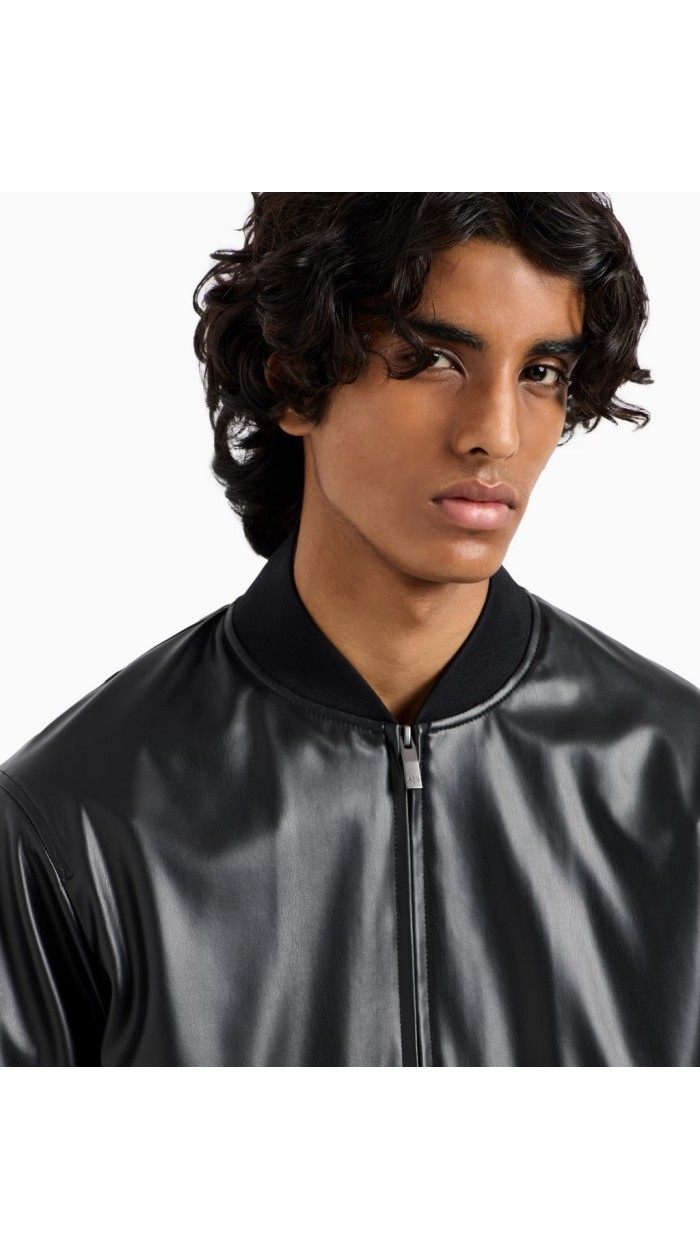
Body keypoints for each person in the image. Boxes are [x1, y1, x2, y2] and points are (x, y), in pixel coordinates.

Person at [1, 192, 699, 1067]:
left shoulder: (676, 779)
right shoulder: (76, 822)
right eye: (433, 359)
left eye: (541, 372)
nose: (496, 434)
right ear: (294, 378)